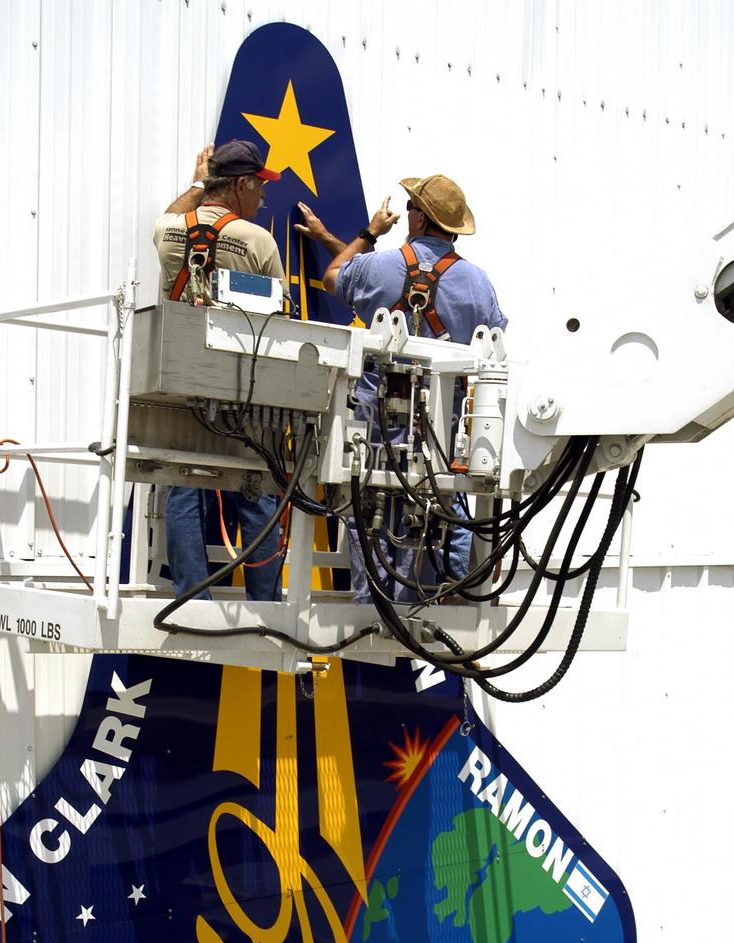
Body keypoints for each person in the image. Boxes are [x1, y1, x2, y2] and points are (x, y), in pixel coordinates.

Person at [295, 175, 507, 603]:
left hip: (375, 427)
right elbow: (494, 346)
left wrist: (369, 233)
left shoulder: (380, 265)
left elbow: (337, 276)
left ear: (418, 217)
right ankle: (442, 594)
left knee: (368, 510)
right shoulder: (478, 284)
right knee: (444, 508)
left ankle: (370, 605)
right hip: (440, 437)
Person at [153, 141, 286, 602]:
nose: (262, 199)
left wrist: (197, 184)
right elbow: (278, 320)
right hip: (240, 385)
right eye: (259, 188)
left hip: (179, 378)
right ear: (241, 184)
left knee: (183, 484)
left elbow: (170, 217)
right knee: (256, 486)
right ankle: (265, 599)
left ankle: (192, 593)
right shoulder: (257, 241)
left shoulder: (169, 231)